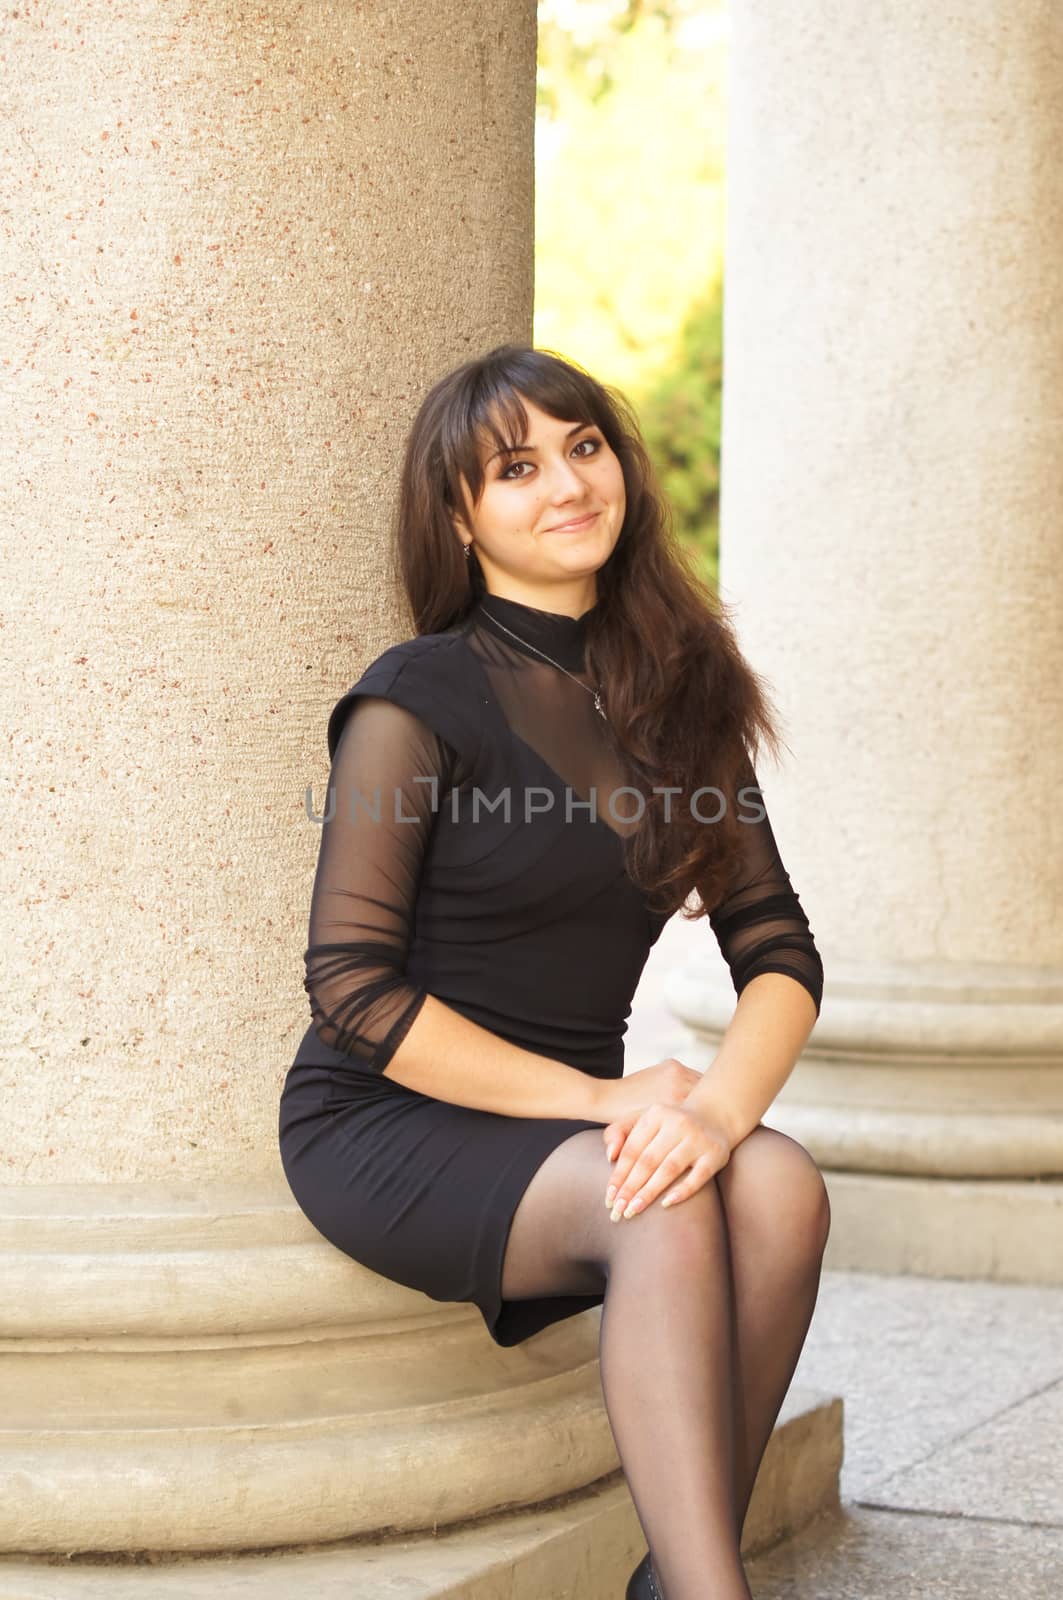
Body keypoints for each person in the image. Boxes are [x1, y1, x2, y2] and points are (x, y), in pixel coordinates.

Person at [278, 344, 828, 1600]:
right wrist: (610, 1102)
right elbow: (352, 991)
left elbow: (779, 951)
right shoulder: (411, 700)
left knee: (781, 1186)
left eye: (583, 448)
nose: (568, 483)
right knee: (665, 1199)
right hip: (390, 1117)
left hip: (566, 1124)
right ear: (461, 518)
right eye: (515, 468)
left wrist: (715, 1109)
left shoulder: (684, 695)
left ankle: (679, 1576)